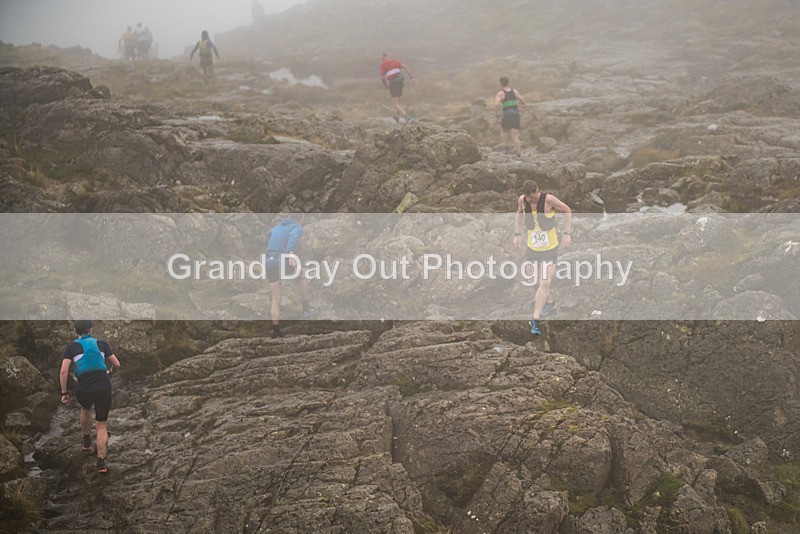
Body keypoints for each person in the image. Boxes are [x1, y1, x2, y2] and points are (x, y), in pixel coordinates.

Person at [59, 320, 121, 474]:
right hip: (103, 386)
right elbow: (117, 364)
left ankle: (86, 441)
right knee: (101, 424)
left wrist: (64, 392)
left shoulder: (71, 347)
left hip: (84, 388)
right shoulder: (101, 344)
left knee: (85, 408)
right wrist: (110, 373)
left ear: (76, 331)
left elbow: (64, 371)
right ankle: (101, 462)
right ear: (90, 329)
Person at [514, 180, 572, 335]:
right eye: (527, 199)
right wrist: (517, 234)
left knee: (545, 282)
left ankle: (535, 318)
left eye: (532, 198)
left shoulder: (549, 200)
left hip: (550, 249)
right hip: (532, 248)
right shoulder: (522, 200)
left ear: (537, 191)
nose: (530, 201)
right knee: (534, 281)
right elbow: (519, 214)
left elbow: (567, 211)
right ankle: (550, 302)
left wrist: (566, 234)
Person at [265, 214, 311, 338]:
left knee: (276, 297)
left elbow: (269, 234)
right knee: (302, 275)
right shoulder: (297, 227)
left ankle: (276, 330)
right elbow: (293, 237)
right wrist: (290, 253)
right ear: (300, 219)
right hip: (284, 257)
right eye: (303, 221)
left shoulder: (276, 227)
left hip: (269, 259)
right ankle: (306, 310)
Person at [379, 53, 415, 124]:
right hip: (401, 81)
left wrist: (386, 85)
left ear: (383, 58)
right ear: (388, 57)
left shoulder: (383, 64)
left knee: (395, 104)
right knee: (398, 101)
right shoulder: (396, 62)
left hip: (393, 83)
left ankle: (407, 117)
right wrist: (412, 77)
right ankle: (397, 117)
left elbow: (382, 77)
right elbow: (406, 67)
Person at [494, 77, 527, 154]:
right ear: (508, 82)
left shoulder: (500, 93)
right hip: (516, 114)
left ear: (501, 83)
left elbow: (496, 104)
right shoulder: (515, 91)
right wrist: (521, 104)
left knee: (503, 129)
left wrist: (497, 113)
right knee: (515, 135)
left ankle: (506, 147)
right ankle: (519, 152)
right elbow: (523, 101)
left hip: (507, 114)